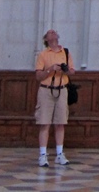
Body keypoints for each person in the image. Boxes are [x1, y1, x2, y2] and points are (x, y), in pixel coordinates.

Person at [34, 29, 75, 167]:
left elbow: (72, 71)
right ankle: (43, 154)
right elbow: (38, 76)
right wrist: (50, 69)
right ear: (46, 39)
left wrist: (65, 70)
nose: (53, 33)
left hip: (62, 90)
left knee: (60, 123)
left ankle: (59, 153)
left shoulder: (66, 52)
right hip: (46, 90)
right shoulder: (43, 55)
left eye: (54, 32)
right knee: (44, 123)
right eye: (50, 33)